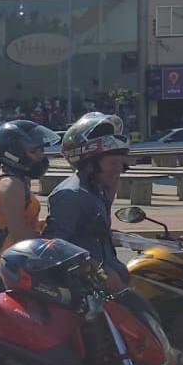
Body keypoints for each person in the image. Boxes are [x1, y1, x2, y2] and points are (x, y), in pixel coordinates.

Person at [47, 112, 132, 290]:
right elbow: (54, 245)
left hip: (110, 282)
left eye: (123, 164)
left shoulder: (96, 190)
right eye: (113, 163)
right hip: (88, 291)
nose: (120, 170)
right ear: (90, 165)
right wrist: (97, 271)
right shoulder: (71, 194)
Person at [0, 120, 52, 264]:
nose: (41, 157)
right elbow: (18, 232)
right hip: (15, 264)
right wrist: (53, 247)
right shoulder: (11, 184)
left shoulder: (11, 178)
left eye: (41, 150)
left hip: (15, 258)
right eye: (33, 152)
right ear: (12, 155)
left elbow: (7, 221)